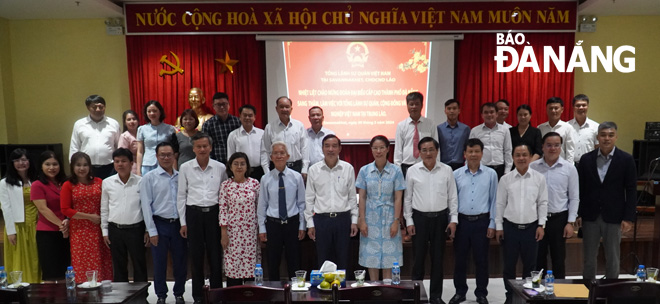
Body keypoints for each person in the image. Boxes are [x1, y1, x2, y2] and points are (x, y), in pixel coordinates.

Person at [577, 122, 636, 280]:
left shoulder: (626, 159)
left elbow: (631, 190)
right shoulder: (585, 159)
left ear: (616, 137)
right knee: (589, 258)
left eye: (610, 135)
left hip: (614, 216)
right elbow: (580, 189)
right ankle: (588, 291)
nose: (606, 138)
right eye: (603, 135)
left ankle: (611, 291)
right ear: (597, 137)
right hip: (590, 215)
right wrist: (578, 213)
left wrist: (628, 217)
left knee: (613, 258)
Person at [404, 137, 458, 304]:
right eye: (424, 150)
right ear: (419, 153)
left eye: (431, 149)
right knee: (418, 260)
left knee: (438, 260)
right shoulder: (412, 170)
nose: (428, 153)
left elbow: (453, 196)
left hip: (440, 220)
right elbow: (407, 198)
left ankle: (436, 296)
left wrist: (453, 220)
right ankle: (416, 296)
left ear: (437, 151)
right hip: (419, 220)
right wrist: (409, 221)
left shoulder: (446, 170)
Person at [177, 132, 228, 304]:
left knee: (215, 255)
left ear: (211, 147)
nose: (202, 149)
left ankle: (216, 294)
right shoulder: (185, 168)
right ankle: (198, 296)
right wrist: (183, 222)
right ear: (193, 148)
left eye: (205, 146)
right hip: (194, 214)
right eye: (198, 146)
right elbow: (181, 196)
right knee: (196, 256)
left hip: (214, 213)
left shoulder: (220, 167)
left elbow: (224, 194)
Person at [495, 144, 548, 304]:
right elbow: (500, 204)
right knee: (509, 266)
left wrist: (541, 225)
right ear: (513, 157)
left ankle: (527, 296)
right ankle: (510, 296)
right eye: (517, 155)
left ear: (531, 156)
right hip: (510, 228)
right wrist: (499, 227)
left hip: (531, 228)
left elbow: (543, 203)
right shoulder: (506, 179)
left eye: (525, 154)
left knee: (531, 266)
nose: (521, 158)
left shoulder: (539, 178)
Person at [449, 139, 497, 304]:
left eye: (477, 151)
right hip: (462, 222)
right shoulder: (456, 174)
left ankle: (481, 293)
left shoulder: (491, 174)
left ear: (482, 153)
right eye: (470, 151)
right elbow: (452, 201)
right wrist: (453, 222)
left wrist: (492, 223)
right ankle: (460, 292)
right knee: (460, 260)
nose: (474, 154)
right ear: (465, 154)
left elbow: (494, 200)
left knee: (481, 260)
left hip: (482, 222)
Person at [140, 142, 186, 304]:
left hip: (178, 225)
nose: (166, 158)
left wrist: (184, 224)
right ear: (157, 156)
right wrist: (151, 230)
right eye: (162, 155)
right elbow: (146, 206)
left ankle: (179, 293)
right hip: (159, 224)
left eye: (169, 154)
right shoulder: (149, 178)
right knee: (159, 262)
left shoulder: (181, 177)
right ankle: (161, 295)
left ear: (175, 156)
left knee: (180, 261)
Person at [530, 132, 579, 279]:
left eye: (557, 145)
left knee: (558, 259)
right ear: (542, 147)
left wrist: (570, 222)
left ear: (561, 147)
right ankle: (538, 294)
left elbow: (574, 197)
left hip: (559, 219)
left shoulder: (569, 168)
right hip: (538, 220)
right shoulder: (533, 167)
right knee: (538, 258)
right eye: (549, 145)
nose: (553, 148)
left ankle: (559, 293)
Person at [305, 135, 358, 270]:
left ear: (340, 148)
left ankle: (342, 290)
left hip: (343, 219)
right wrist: (310, 223)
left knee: (343, 259)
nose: (330, 149)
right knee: (323, 260)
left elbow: (352, 197)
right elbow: (309, 199)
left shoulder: (348, 168)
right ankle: (324, 291)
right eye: (327, 146)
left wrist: (354, 221)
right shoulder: (314, 170)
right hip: (322, 221)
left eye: (334, 146)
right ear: (322, 148)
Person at [357, 135, 405, 281]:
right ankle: (373, 291)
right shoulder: (364, 170)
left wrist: (396, 220)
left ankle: (388, 292)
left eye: (382, 147)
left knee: (389, 257)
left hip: (390, 217)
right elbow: (362, 197)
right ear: (371, 150)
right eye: (375, 148)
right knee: (371, 257)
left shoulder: (396, 171)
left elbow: (398, 198)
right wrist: (362, 220)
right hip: (370, 218)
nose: (378, 151)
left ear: (388, 149)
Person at [60, 152, 113, 283]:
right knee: (82, 261)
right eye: (78, 165)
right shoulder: (68, 185)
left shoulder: (99, 182)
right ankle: (84, 294)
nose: (81, 168)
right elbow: (65, 209)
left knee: (102, 260)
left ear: (90, 166)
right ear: (72, 167)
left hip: (99, 229)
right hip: (80, 230)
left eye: (85, 165)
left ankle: (104, 293)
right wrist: (89, 217)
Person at [257, 142, 306, 282]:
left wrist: (302, 225)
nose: (279, 156)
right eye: (276, 153)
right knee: (273, 262)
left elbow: (301, 203)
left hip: (292, 223)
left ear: (288, 156)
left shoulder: (296, 177)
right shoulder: (265, 178)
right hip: (273, 224)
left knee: (294, 261)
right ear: (271, 157)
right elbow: (262, 205)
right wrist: (262, 227)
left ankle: (296, 292)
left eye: (282, 153)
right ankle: (274, 292)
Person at [101, 148, 147, 283]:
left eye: (124, 161)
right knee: (119, 266)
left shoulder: (141, 181)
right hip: (115, 229)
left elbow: (146, 208)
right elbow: (104, 208)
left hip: (136, 229)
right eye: (117, 161)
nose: (120, 164)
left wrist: (147, 230)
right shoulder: (107, 182)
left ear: (132, 163)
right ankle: (122, 298)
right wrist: (104, 231)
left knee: (139, 265)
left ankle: (140, 298)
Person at [219, 152, 261, 286]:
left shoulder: (254, 184)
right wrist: (223, 233)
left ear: (247, 166)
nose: (239, 167)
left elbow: (259, 209)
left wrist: (261, 231)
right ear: (230, 166)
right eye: (235, 164)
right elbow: (223, 210)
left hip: (251, 233)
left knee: (250, 268)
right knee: (233, 267)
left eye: (242, 164)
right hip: (232, 233)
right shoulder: (225, 185)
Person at [0, 149, 41, 283]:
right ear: (12, 163)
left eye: (24, 160)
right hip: (18, 227)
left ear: (29, 161)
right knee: (20, 259)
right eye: (17, 160)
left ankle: (37, 287)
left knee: (36, 258)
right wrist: (11, 231)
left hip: (36, 224)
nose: (21, 163)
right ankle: (20, 289)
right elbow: (6, 208)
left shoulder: (36, 180)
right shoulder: (5, 183)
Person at [31, 151, 71, 283]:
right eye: (47, 164)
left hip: (67, 230)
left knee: (66, 271)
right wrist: (61, 225)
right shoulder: (37, 184)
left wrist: (67, 223)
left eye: (55, 164)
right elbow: (43, 209)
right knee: (51, 273)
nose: (51, 167)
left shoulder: (66, 182)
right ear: (41, 166)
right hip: (48, 232)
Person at [69, 94, 120, 179]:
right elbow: (74, 147)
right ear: (88, 108)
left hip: (110, 167)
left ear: (105, 107)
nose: (98, 109)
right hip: (87, 168)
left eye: (101, 107)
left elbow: (118, 146)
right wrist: (74, 166)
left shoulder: (113, 124)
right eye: (94, 107)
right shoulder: (79, 124)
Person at [394, 91, 439, 177]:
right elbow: (398, 150)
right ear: (407, 106)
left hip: (426, 165)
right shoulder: (401, 125)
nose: (414, 107)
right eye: (411, 104)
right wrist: (398, 170)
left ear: (422, 105)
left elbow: (436, 146)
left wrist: (436, 166)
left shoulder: (430, 124)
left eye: (417, 104)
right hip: (407, 165)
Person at [261, 96, 308, 176]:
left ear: (291, 109)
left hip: (296, 167)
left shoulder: (299, 126)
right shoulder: (270, 127)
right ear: (276, 109)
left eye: (287, 107)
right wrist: (267, 172)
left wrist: (304, 169)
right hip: (275, 168)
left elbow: (305, 148)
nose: (284, 109)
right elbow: (265, 150)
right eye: (281, 107)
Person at [469, 102, 513, 179]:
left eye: (492, 112)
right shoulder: (475, 131)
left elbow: (508, 151)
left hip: (500, 169)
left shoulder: (505, 130)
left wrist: (507, 171)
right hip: (482, 169)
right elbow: (471, 151)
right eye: (486, 112)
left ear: (496, 114)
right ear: (482, 115)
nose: (489, 115)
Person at [137, 100, 176, 176]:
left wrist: (174, 168)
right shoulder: (141, 129)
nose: (152, 113)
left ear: (160, 112)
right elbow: (140, 151)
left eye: (154, 111)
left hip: (165, 163)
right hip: (148, 164)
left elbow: (174, 150)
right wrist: (138, 170)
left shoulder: (170, 129)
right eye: (149, 111)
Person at [227, 104, 265, 181]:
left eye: (250, 115)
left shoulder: (262, 133)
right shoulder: (233, 135)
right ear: (240, 117)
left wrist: (266, 172)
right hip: (241, 172)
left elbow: (265, 154)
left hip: (259, 171)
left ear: (254, 117)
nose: (247, 118)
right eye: (245, 115)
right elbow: (230, 157)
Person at [202, 92, 241, 164]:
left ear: (229, 105)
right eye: (218, 105)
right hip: (217, 162)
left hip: (236, 163)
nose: (222, 107)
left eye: (224, 104)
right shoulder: (208, 124)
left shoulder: (238, 122)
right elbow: (206, 146)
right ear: (213, 106)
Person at [537, 97, 577, 163]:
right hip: (544, 166)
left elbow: (570, 151)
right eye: (550, 108)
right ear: (546, 110)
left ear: (562, 109)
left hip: (561, 166)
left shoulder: (568, 128)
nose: (553, 111)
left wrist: (568, 168)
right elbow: (539, 150)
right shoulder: (540, 128)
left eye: (556, 108)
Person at [437, 99, 470, 170]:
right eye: (449, 109)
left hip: (460, 166)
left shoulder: (465, 129)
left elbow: (468, 147)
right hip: (443, 165)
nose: (452, 111)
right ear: (445, 111)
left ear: (459, 111)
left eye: (454, 108)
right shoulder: (439, 129)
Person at [568, 94, 599, 165]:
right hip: (571, 165)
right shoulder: (567, 126)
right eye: (578, 105)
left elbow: (597, 148)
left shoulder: (596, 127)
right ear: (573, 107)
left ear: (588, 106)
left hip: (589, 165)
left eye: (584, 105)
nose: (581, 108)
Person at [118, 110, 140, 174]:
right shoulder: (124, 136)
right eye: (129, 119)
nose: (132, 121)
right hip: (133, 167)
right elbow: (122, 155)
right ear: (125, 123)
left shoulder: (143, 132)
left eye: (134, 119)